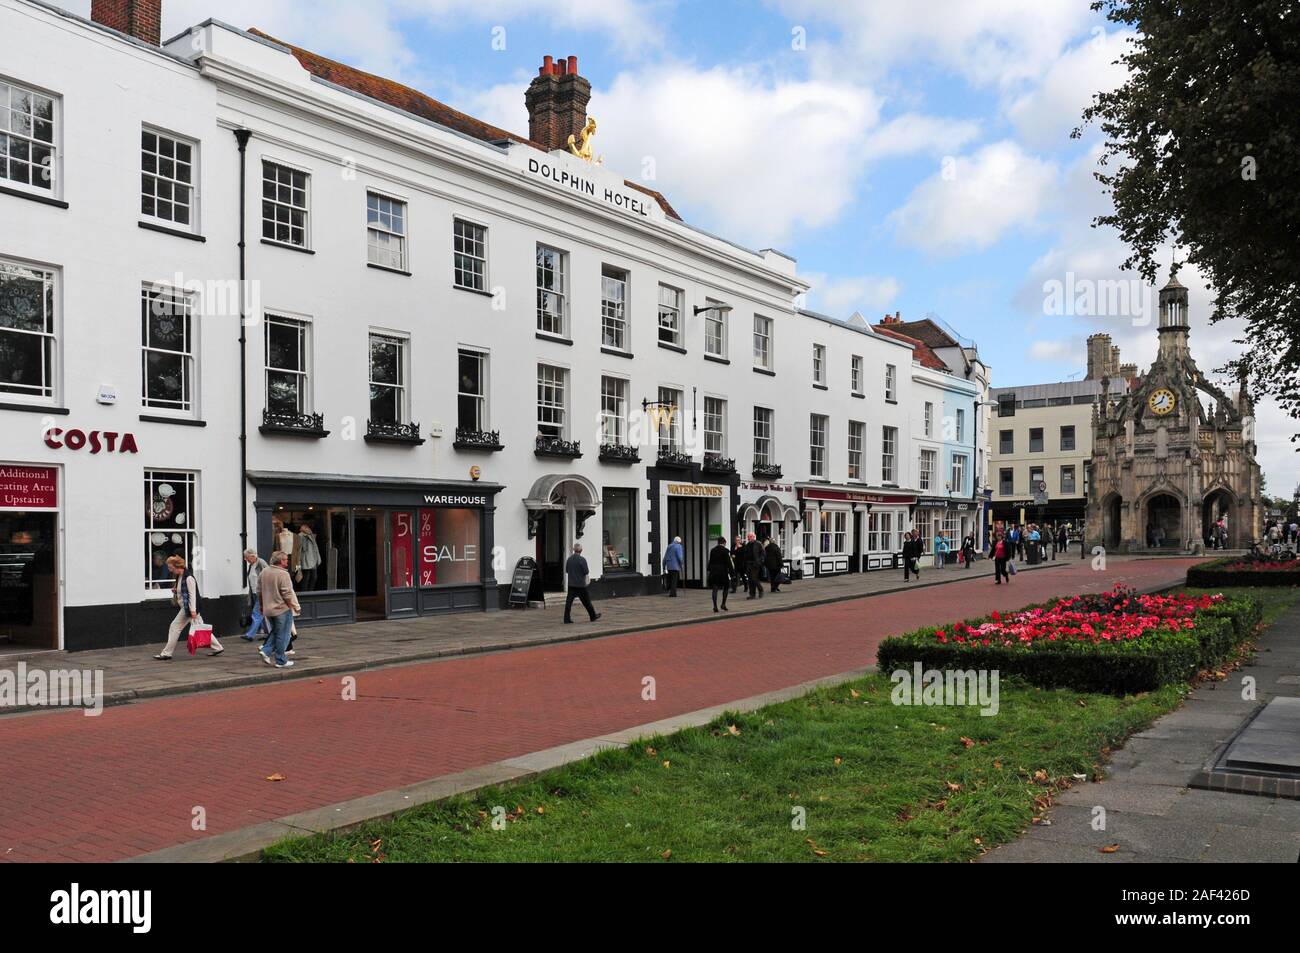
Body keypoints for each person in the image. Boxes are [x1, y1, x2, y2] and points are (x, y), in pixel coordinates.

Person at [154, 555, 224, 660]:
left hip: (188, 609)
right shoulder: (180, 576)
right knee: (200, 627)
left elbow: (192, 595)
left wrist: (192, 611)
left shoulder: (189, 578)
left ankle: (166, 653)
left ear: (177, 566)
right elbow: (183, 591)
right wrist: (176, 591)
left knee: (174, 627)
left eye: (171, 568)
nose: (170, 570)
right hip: (188, 608)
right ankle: (218, 647)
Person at [258, 550, 300, 668]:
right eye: (286, 559)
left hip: (268, 609)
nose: (287, 561)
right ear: (281, 561)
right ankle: (281, 660)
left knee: (276, 631)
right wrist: (292, 606)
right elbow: (287, 593)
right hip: (282, 609)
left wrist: (262, 606)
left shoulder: (264, 572)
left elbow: (259, 591)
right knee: (284, 635)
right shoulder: (283, 574)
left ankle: (266, 651)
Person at [562, 542, 600, 623]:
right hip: (581, 585)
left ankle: (566, 618)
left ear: (573, 550)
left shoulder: (569, 559)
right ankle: (593, 616)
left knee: (568, 603)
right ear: (581, 550)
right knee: (587, 602)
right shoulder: (582, 560)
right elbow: (586, 571)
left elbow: (567, 570)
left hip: (571, 584)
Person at [241, 549, 269, 641]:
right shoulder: (251, 565)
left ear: (252, 556)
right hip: (254, 593)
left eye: (247, 557)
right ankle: (269, 633)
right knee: (264, 614)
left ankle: (250, 635)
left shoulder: (261, 562)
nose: (245, 559)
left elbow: (269, 575)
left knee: (256, 613)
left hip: (262, 593)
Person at [707, 537, 733, 613]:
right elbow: (729, 563)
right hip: (723, 572)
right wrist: (732, 573)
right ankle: (723, 604)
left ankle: (715, 606)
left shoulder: (713, 550)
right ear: (724, 543)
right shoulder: (725, 551)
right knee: (726, 587)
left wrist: (709, 570)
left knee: (715, 588)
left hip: (714, 572)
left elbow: (710, 561)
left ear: (718, 542)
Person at [296, 524, 321, 591]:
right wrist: (298, 563)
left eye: (308, 527)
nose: (308, 529)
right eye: (306, 528)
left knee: (314, 577)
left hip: (313, 559)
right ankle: (305, 592)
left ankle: (310, 591)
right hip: (305, 560)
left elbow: (316, 548)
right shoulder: (300, 536)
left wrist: (318, 559)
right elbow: (299, 549)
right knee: (306, 578)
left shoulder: (311, 535)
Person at [745, 532, 765, 599]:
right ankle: (752, 594)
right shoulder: (747, 545)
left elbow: (763, 554)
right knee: (750, 580)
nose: (748, 538)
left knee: (754, 578)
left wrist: (759, 561)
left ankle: (760, 590)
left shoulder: (758, 544)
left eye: (750, 537)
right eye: (748, 537)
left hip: (755, 563)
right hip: (748, 564)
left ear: (754, 537)